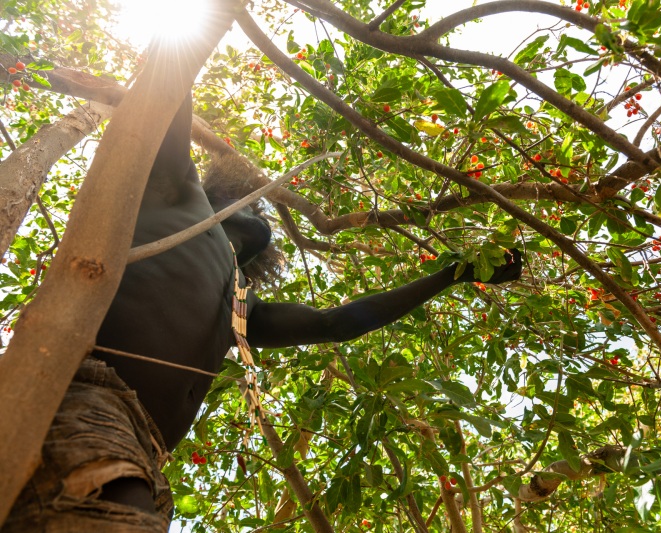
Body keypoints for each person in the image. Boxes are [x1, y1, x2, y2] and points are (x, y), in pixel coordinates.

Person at [2, 94, 521, 532]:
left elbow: (332, 323)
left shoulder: (238, 304)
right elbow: (167, 99)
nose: (261, 213)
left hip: (145, 451)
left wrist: (454, 274)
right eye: (253, 205)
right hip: (84, 399)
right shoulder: (176, 194)